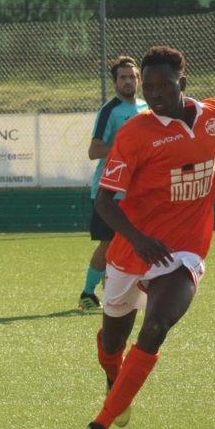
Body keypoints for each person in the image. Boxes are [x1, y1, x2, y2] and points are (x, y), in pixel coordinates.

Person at [76, 46, 215, 429]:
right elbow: (104, 201)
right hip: (133, 250)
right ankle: (114, 375)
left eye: (164, 85)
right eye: (149, 87)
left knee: (157, 326)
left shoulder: (214, 113)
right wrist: (138, 238)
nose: (155, 93)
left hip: (184, 250)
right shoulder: (136, 133)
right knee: (113, 342)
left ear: (183, 82)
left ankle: (98, 426)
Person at [79, 56, 148, 311]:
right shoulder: (110, 110)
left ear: (139, 79)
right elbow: (94, 150)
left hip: (136, 192)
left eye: (132, 77)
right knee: (108, 243)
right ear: (115, 82)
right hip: (109, 191)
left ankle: (118, 290)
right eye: (122, 77)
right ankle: (87, 294)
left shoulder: (146, 108)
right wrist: (127, 149)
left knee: (133, 242)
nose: (128, 81)